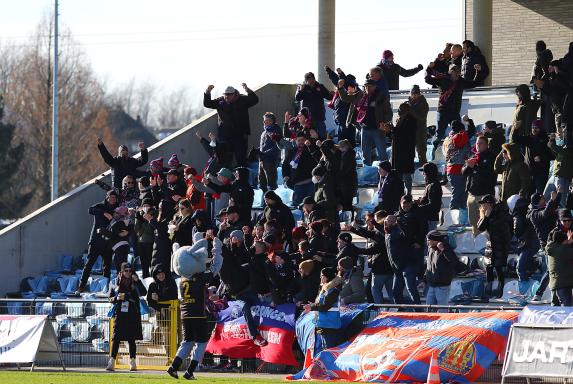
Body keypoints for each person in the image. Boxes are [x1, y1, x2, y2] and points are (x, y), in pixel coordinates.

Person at [220, 230, 268, 346]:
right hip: (240, 294)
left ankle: (268, 334)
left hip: (252, 290)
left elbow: (242, 255)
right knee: (246, 308)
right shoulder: (227, 265)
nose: (251, 247)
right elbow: (234, 255)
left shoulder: (256, 260)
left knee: (264, 309)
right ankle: (255, 336)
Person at [424, 64, 479, 157]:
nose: (456, 73)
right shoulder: (443, 79)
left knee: (460, 131)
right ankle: (434, 147)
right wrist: (429, 68)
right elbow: (428, 79)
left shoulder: (461, 81)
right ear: (450, 72)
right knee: (440, 133)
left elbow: (474, 83)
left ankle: (460, 149)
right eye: (454, 71)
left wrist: (478, 72)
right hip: (442, 110)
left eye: (457, 71)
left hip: (454, 112)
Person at [167, 269, 213, 379]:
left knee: (187, 342)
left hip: (185, 314)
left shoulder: (182, 278)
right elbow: (213, 271)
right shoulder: (200, 277)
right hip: (198, 314)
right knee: (201, 343)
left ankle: (173, 367)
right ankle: (190, 371)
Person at [203, 83, 259, 166]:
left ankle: (241, 176)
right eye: (225, 94)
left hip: (239, 135)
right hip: (225, 136)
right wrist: (208, 91)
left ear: (234, 94)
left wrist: (247, 90)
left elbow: (255, 100)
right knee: (224, 159)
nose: (227, 96)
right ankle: (226, 177)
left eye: (229, 95)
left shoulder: (242, 99)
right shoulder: (220, 101)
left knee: (241, 159)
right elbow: (207, 103)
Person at [106, 262, 147, 372]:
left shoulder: (135, 281)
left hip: (133, 314)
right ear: (122, 272)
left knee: (131, 338)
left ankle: (132, 362)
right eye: (126, 270)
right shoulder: (115, 282)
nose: (128, 273)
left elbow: (144, 292)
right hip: (120, 313)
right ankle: (112, 361)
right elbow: (109, 298)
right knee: (116, 338)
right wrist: (117, 298)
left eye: (130, 270)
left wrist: (137, 281)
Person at [77, 190, 118, 293]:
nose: (113, 200)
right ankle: (81, 286)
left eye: (114, 198)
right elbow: (90, 210)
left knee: (107, 267)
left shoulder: (117, 208)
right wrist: (104, 213)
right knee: (89, 264)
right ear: (107, 198)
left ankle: (106, 288)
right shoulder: (100, 206)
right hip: (96, 241)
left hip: (108, 242)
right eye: (111, 197)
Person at [477, 195, 512, 298]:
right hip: (490, 244)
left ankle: (500, 288)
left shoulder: (501, 213)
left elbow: (503, 227)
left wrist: (488, 217)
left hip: (500, 244)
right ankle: (489, 287)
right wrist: (486, 217)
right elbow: (480, 227)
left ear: (490, 204)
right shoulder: (485, 214)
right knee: (488, 266)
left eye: (484, 203)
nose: (482, 205)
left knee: (498, 267)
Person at [303, 267, 343, 353]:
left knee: (329, 351)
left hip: (329, 325)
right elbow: (321, 304)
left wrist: (311, 307)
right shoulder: (327, 289)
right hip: (325, 324)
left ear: (327, 277)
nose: (320, 278)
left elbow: (325, 306)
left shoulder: (333, 290)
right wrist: (312, 305)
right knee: (326, 350)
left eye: (322, 276)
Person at [353, 78, 393, 165]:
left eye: (369, 86)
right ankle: (367, 174)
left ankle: (386, 173)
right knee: (365, 155)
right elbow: (355, 109)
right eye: (366, 86)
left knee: (382, 153)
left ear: (375, 87)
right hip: (365, 128)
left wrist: (384, 122)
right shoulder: (362, 97)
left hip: (378, 129)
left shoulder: (381, 97)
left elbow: (389, 113)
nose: (367, 88)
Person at [463, 136, 497, 236]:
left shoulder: (491, 157)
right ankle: (477, 243)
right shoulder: (473, 156)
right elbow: (464, 173)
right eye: (477, 143)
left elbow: (489, 174)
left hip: (484, 195)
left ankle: (488, 243)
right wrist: (468, 167)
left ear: (486, 145)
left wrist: (475, 167)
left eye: (480, 143)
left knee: (486, 222)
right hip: (472, 195)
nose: (478, 145)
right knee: (474, 222)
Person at [384, 215, 420, 304]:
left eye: (392, 221)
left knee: (411, 289)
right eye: (387, 220)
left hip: (407, 266)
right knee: (396, 292)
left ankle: (419, 311)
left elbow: (406, 235)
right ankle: (402, 310)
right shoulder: (387, 233)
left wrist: (400, 225)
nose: (389, 222)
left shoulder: (398, 231)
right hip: (397, 268)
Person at [508, 194, 540, 293]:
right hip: (533, 241)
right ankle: (533, 288)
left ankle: (524, 291)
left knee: (520, 267)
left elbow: (518, 229)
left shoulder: (518, 214)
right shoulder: (528, 208)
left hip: (528, 242)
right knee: (527, 266)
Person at [512, 119, 554, 194]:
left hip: (541, 172)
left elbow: (552, 155)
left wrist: (541, 158)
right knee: (528, 194)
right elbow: (515, 139)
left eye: (536, 127)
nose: (534, 129)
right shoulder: (529, 138)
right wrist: (516, 128)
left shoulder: (546, 139)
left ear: (541, 128)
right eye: (532, 127)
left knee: (540, 194)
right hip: (529, 172)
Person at [282, 132, 319, 207]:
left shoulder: (310, 149)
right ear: (296, 141)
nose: (301, 142)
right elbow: (285, 164)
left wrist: (310, 146)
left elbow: (317, 159)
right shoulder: (292, 151)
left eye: (302, 140)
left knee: (311, 205)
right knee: (299, 206)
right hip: (297, 184)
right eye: (299, 140)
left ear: (305, 140)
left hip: (310, 183)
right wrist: (285, 175)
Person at [445, 120, 471, 223]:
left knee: (462, 195)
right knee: (458, 193)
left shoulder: (448, 138)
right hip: (457, 169)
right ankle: (451, 220)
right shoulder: (459, 136)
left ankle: (462, 220)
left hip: (454, 169)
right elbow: (470, 133)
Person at [425, 230, 458, 310]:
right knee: (429, 309)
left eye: (429, 240)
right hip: (431, 285)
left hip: (442, 286)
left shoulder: (446, 248)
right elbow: (429, 266)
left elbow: (454, 261)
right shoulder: (430, 249)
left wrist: (443, 250)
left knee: (442, 309)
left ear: (435, 240)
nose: (427, 242)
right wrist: (424, 279)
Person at [324, 66, 357, 144]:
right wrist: (336, 73)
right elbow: (337, 79)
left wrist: (331, 72)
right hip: (342, 120)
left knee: (345, 143)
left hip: (345, 121)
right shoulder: (346, 89)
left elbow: (336, 80)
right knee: (345, 143)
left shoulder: (348, 89)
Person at [390, 102, 418, 194]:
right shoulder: (400, 119)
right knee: (399, 174)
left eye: (400, 109)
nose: (398, 111)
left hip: (406, 151)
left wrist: (392, 129)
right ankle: (399, 193)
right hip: (398, 151)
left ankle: (408, 193)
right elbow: (396, 134)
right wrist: (390, 130)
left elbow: (404, 134)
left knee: (406, 174)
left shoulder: (411, 120)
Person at [295, 72, 332, 139]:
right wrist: (301, 90)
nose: (311, 81)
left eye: (312, 79)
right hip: (307, 119)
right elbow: (297, 98)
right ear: (306, 81)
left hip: (319, 117)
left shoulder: (320, 86)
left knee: (322, 137)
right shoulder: (303, 88)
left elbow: (329, 97)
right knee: (308, 137)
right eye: (309, 79)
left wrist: (333, 93)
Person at [544, 132, 573, 207]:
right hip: (555, 174)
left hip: (563, 176)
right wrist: (552, 141)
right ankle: (544, 214)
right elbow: (557, 154)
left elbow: (566, 153)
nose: (561, 133)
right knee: (544, 197)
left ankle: (562, 217)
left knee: (561, 201)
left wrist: (552, 145)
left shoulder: (569, 145)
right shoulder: (564, 144)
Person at [546, 230, 573, 306]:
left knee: (555, 309)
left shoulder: (552, 248)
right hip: (563, 284)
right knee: (567, 309)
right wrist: (569, 243)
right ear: (562, 241)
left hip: (555, 284)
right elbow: (567, 252)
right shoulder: (562, 250)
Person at [258, 112, 282, 192]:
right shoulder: (264, 132)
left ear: (272, 121)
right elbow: (263, 147)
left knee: (271, 183)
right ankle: (264, 202)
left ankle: (272, 201)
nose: (264, 122)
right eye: (264, 121)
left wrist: (264, 154)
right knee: (262, 182)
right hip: (262, 160)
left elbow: (277, 147)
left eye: (266, 121)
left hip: (270, 160)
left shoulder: (276, 131)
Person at [416, 162, 443, 231]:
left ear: (428, 173)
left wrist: (417, 208)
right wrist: (421, 201)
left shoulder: (434, 185)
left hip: (430, 219)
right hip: (428, 218)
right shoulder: (431, 184)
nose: (423, 174)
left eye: (424, 172)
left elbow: (433, 205)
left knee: (428, 239)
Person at [408, 85, 430, 165]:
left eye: (416, 93)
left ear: (419, 94)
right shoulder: (407, 104)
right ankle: (409, 169)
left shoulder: (424, 104)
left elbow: (422, 117)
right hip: (410, 130)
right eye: (413, 93)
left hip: (420, 130)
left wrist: (411, 110)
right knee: (409, 151)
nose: (414, 95)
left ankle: (424, 168)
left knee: (421, 151)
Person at [134, 199, 155, 278]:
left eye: (147, 205)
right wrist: (137, 218)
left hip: (150, 242)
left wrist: (146, 220)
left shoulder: (153, 215)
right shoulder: (140, 215)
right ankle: (145, 278)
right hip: (141, 242)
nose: (146, 207)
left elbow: (150, 230)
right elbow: (136, 229)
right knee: (143, 264)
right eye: (144, 206)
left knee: (151, 262)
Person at [336, 139, 358, 215]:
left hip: (347, 185)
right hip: (348, 185)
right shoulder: (348, 154)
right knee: (347, 204)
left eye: (341, 147)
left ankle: (349, 220)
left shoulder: (348, 156)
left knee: (347, 205)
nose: (340, 149)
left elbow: (344, 171)